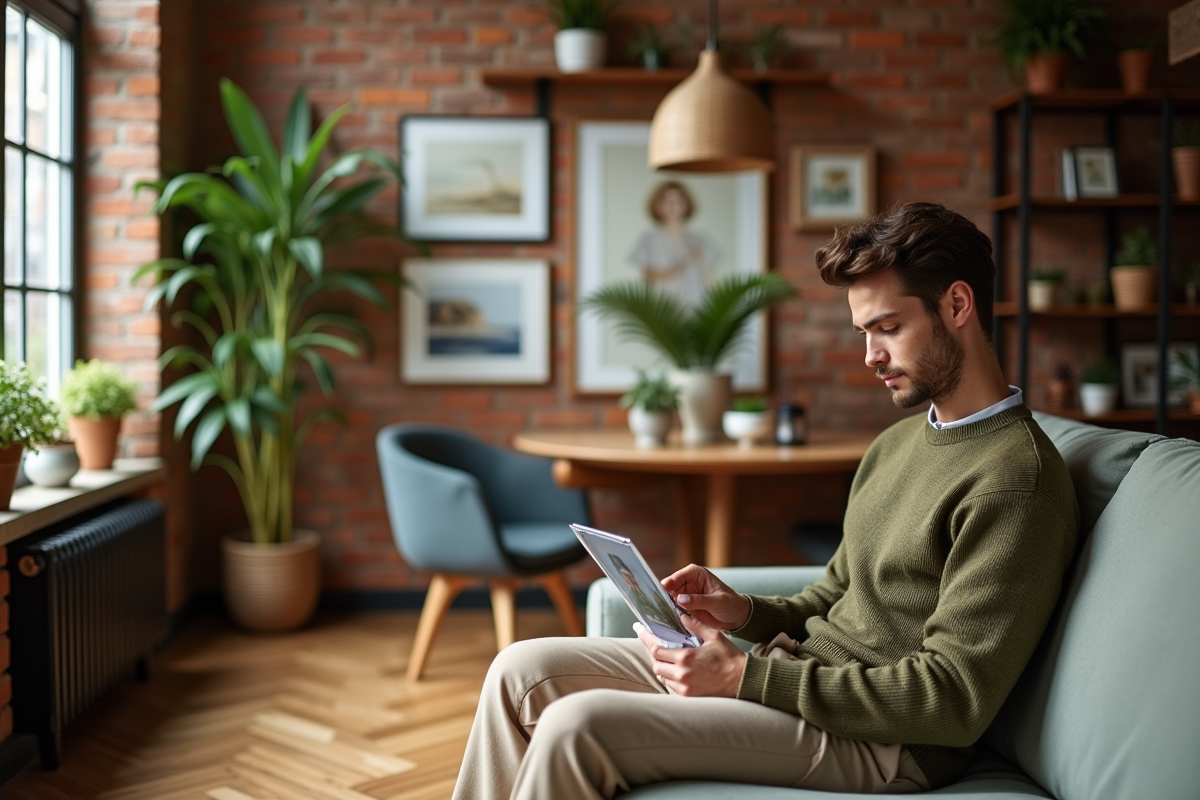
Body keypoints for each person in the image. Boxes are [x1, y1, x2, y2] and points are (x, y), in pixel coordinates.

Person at [451, 202, 1080, 800]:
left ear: (958, 304)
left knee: (576, 726)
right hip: (804, 680)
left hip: (890, 744)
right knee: (521, 671)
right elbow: (834, 596)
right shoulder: (896, 446)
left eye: (888, 328)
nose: (870, 356)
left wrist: (746, 677)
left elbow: (952, 699)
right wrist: (741, 611)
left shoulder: (1014, 479)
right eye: (864, 332)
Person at [628, 180, 720, 307]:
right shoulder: (649, 240)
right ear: (658, 206)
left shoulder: (700, 240)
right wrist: (671, 272)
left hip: (695, 310)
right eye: (667, 201)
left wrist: (700, 258)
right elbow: (646, 276)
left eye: (678, 201)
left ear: (686, 205)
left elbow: (711, 281)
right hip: (663, 311)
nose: (673, 206)